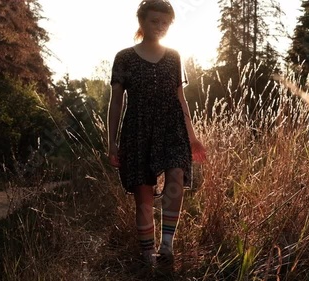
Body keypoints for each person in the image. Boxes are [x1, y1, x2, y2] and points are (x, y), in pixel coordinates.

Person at [107, 0, 206, 267]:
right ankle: (147, 254)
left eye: (165, 22)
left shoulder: (174, 56)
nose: (160, 26)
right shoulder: (124, 57)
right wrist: (112, 142)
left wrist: (193, 137)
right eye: (154, 21)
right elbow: (116, 102)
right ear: (141, 21)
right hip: (137, 129)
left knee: (176, 175)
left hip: (172, 126)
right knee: (144, 192)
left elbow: (181, 98)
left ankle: (167, 245)